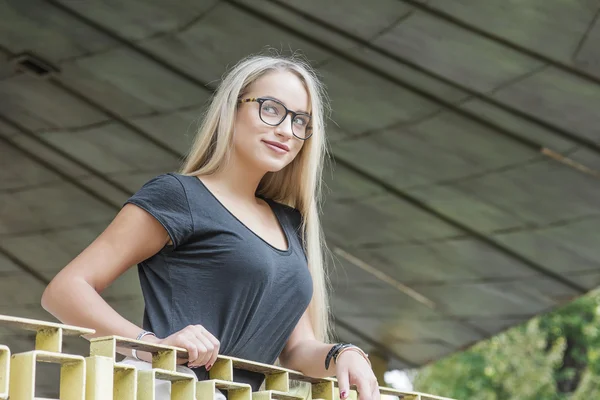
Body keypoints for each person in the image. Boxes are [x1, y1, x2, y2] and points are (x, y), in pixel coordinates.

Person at [41, 53, 379, 400]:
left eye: (300, 121)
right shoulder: (179, 196)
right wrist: (151, 346)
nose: (285, 130)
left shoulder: (290, 224)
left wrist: (344, 353)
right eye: (271, 109)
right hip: (172, 391)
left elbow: (296, 349)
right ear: (233, 108)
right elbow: (65, 289)